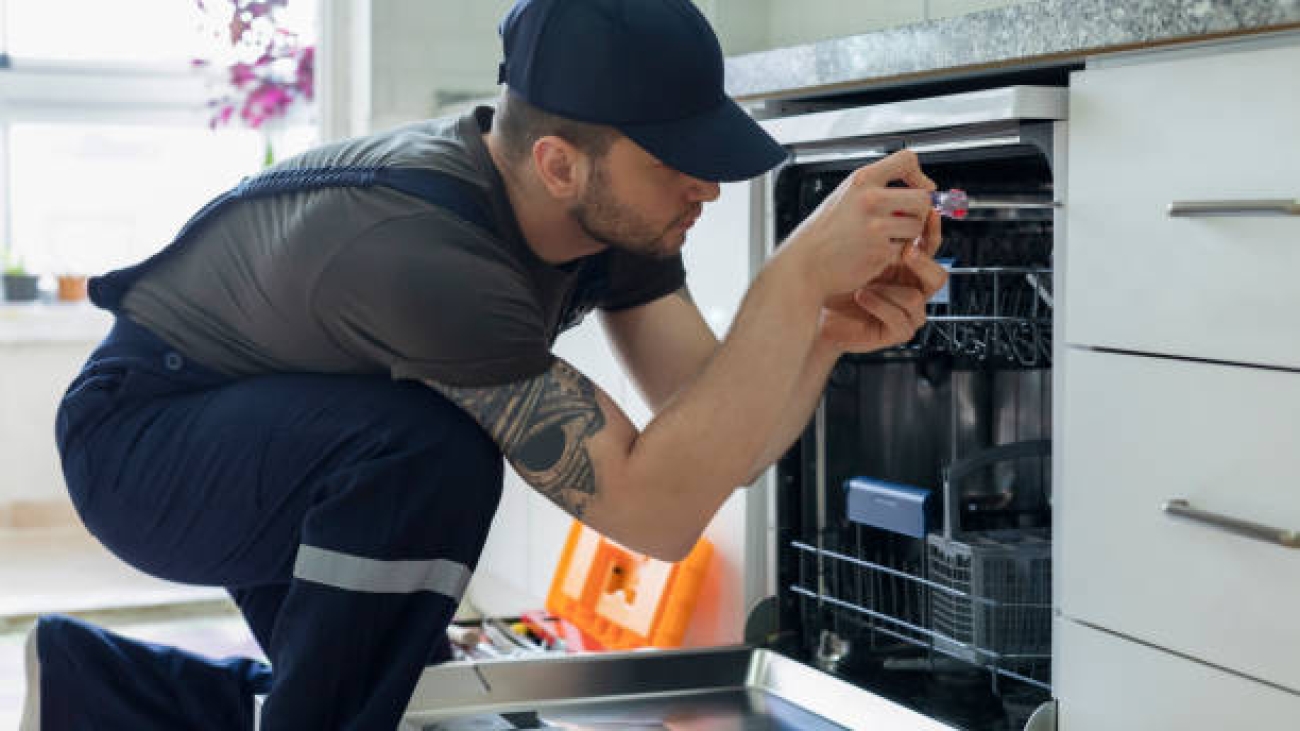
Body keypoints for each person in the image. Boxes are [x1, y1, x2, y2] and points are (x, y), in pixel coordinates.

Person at [23, 0, 947, 729]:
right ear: (558, 162)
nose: (706, 185)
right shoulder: (430, 259)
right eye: (678, 159)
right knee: (433, 456)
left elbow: (719, 443)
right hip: (143, 440)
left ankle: (91, 683)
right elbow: (655, 512)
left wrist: (819, 330)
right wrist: (788, 282)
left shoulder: (607, 211)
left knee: (378, 680)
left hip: (281, 423)